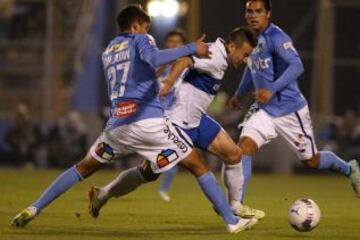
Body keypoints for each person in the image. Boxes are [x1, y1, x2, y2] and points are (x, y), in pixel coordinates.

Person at [12, 5, 257, 233]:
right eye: (146, 27)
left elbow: (144, 70)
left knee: (83, 167)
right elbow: (153, 59)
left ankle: (35, 206)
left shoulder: (109, 51)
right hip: (147, 121)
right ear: (137, 26)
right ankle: (232, 221)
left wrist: (165, 72)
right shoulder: (142, 39)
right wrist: (191, 48)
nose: (148, 32)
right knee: (197, 163)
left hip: (117, 125)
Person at [87, 26, 265, 220]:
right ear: (232, 46)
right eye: (245, 54)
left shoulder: (219, 54)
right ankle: (103, 194)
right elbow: (184, 60)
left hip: (196, 121)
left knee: (234, 155)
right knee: (148, 173)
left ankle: (235, 207)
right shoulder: (214, 54)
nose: (246, 59)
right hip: (176, 124)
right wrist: (170, 82)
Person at [227, 0, 360, 214]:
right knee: (244, 148)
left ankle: (349, 168)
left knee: (311, 161)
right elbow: (251, 66)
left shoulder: (277, 37)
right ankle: (237, 207)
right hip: (265, 110)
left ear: (268, 14)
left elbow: (297, 65)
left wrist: (271, 88)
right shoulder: (250, 39)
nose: (253, 15)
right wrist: (239, 92)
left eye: (258, 11)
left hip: (290, 111)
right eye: (249, 11)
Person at [156, 29, 187, 202]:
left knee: (174, 154)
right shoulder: (157, 61)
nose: (174, 45)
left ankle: (163, 190)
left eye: (178, 42)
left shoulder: (188, 65)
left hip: (174, 116)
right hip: (151, 114)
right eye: (171, 41)